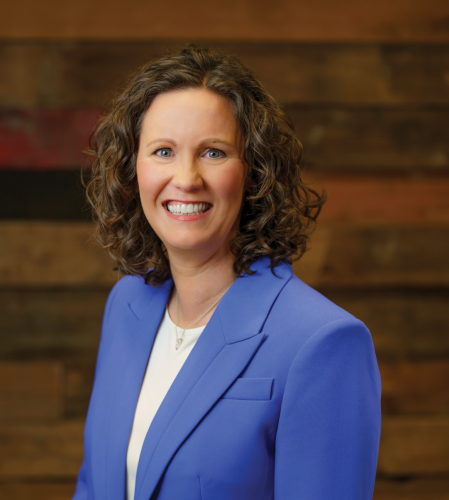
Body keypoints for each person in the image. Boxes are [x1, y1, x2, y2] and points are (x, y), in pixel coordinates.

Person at [73, 45, 381, 500]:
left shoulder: (324, 343)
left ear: (254, 173)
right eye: (162, 151)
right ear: (132, 168)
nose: (186, 178)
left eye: (213, 153)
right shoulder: (127, 304)